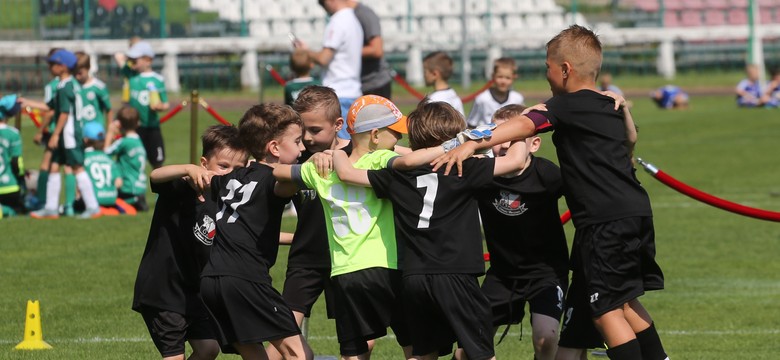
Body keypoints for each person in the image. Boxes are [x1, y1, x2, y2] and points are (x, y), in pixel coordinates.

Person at [433, 25, 669, 360]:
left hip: (604, 222)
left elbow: (521, 125)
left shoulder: (563, 106)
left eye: (547, 66)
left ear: (565, 69)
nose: (545, 73)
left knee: (606, 311)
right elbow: (630, 140)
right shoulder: (608, 105)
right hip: (635, 213)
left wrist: (470, 143)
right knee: (626, 302)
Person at [333, 100, 527, 360]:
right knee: (481, 352)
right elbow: (516, 161)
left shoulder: (397, 176)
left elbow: (347, 174)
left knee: (423, 353)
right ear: (455, 137)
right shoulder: (464, 167)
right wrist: (526, 122)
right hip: (456, 274)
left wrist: (334, 152)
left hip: (414, 278)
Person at [274, 94, 431, 359]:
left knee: (354, 349)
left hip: (345, 271)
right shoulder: (380, 161)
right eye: (395, 132)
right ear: (375, 135)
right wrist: (456, 145)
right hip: (385, 266)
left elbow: (276, 173)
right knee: (416, 346)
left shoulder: (320, 170)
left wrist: (319, 161)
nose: (400, 138)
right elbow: (408, 160)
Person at [199, 103, 313, 360]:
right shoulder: (273, 180)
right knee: (299, 354)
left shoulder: (230, 178)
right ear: (274, 148)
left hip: (211, 281)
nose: (303, 148)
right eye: (297, 141)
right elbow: (286, 182)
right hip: (246, 280)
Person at [133, 124, 249, 360]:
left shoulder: (229, 201)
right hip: (163, 289)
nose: (229, 174)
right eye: (223, 166)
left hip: (194, 291)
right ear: (204, 164)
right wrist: (187, 169)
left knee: (208, 349)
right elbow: (155, 176)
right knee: (174, 355)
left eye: (237, 168)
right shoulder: (183, 186)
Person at [466, 104, 568, 360]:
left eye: (508, 139)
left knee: (546, 337)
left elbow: (585, 197)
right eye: (494, 136)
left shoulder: (548, 174)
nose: (499, 145)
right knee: (467, 347)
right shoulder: (481, 172)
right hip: (502, 274)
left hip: (546, 273)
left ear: (533, 144)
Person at [30, 49, 102, 220]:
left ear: (63, 67)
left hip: (69, 134)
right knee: (54, 166)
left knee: (77, 167)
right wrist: (26, 102)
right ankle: (51, 208)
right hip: (64, 134)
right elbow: (49, 106)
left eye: (52, 64)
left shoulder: (66, 86)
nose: (49, 67)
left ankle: (93, 207)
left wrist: (54, 135)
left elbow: (63, 113)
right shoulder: (63, 85)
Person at [296, 0, 363, 140]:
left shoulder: (338, 21)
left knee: (340, 146)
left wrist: (305, 52)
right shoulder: (354, 20)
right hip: (352, 90)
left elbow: (323, 58)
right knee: (349, 144)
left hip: (339, 91)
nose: (324, 8)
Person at [115, 41, 170, 168]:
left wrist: (159, 106)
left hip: (152, 127)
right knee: (132, 161)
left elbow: (165, 103)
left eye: (135, 60)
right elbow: (118, 56)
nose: (132, 63)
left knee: (157, 162)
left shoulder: (157, 79)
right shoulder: (131, 75)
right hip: (133, 128)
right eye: (131, 60)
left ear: (148, 60)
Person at [80, 121, 136, 216]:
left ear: (85, 140)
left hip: (93, 200)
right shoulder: (108, 158)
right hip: (111, 198)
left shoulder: (83, 157)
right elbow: (119, 182)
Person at [105, 106, 149, 212]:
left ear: (119, 124)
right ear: (138, 123)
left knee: (107, 204)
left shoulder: (124, 142)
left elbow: (105, 153)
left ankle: (129, 203)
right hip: (140, 188)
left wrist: (110, 133)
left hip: (128, 189)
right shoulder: (138, 140)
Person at [348, 0, 393, 99]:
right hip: (359, 84)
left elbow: (376, 50)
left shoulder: (364, 14)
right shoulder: (346, 15)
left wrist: (345, 52)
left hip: (375, 84)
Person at [466, 57, 525, 128]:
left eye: (507, 78)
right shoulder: (482, 98)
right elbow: (471, 124)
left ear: (514, 77)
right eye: (500, 77)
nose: (503, 81)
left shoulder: (517, 98)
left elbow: (522, 122)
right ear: (493, 76)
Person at [0, 94, 25, 217]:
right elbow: (17, 162)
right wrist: (21, 179)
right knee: (18, 210)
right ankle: (5, 210)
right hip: (9, 186)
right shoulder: (13, 134)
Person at [73, 52, 112, 127]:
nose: (77, 76)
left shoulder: (99, 87)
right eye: (75, 73)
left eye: (80, 73)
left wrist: (109, 127)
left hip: (95, 131)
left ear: (88, 68)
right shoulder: (72, 85)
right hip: (78, 129)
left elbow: (108, 109)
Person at [423, 51, 465, 116]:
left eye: (425, 71)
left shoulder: (433, 101)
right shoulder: (453, 94)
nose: (424, 75)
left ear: (435, 74)